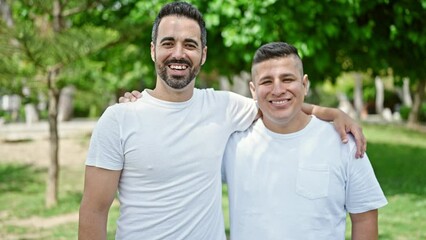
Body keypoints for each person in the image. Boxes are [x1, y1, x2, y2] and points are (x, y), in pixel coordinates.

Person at [79, 2, 366, 239]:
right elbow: (94, 210)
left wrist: (331, 113)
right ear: (153, 50)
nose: (178, 53)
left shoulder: (223, 106)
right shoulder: (119, 119)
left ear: (202, 55)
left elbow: (277, 102)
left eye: (189, 45)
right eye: (168, 43)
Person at [222, 42, 387, 240]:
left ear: (305, 84)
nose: (278, 89)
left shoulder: (344, 141)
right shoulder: (232, 144)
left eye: (287, 79)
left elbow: (364, 218)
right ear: (253, 89)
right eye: (266, 81)